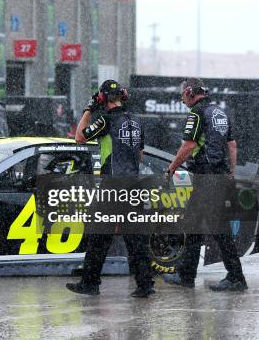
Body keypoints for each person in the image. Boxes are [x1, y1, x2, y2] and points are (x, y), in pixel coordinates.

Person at [66, 80, 155, 298]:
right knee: (136, 239)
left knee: (99, 235)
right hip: (133, 183)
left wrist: (88, 108)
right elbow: (140, 155)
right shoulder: (135, 120)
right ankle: (145, 285)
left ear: (103, 98)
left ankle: (90, 283)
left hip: (112, 184)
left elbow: (79, 137)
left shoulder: (105, 119)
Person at [163, 78, 247, 291]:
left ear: (190, 92)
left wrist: (172, 167)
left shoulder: (197, 113)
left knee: (218, 228)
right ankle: (186, 275)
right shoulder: (220, 112)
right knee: (194, 225)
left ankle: (236, 277)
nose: (182, 99)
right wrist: (231, 172)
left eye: (183, 94)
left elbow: (189, 145)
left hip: (206, 176)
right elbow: (233, 145)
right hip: (217, 175)